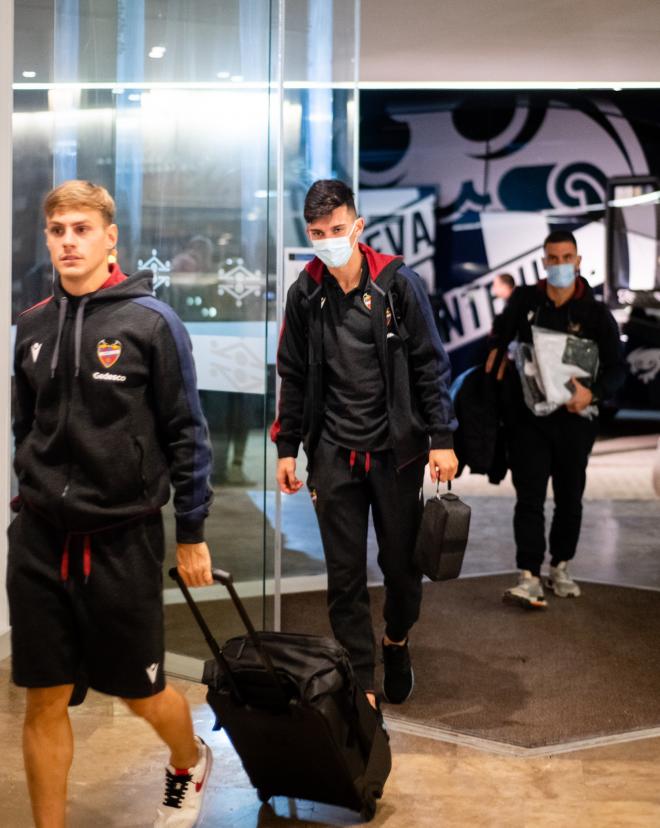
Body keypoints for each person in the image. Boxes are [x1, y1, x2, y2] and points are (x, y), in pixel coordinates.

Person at [8, 180, 215, 827]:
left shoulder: (151, 322)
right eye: (57, 230)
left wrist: (192, 530)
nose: (68, 241)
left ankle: (189, 759)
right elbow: (26, 426)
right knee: (42, 699)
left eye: (81, 229)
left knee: (140, 693)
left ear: (109, 237)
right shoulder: (32, 325)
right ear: (47, 238)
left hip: (123, 540)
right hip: (39, 539)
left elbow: (187, 430)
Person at [272, 179, 458, 707]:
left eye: (336, 229)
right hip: (333, 454)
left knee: (401, 569)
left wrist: (441, 438)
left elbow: (430, 364)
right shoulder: (305, 293)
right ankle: (364, 683)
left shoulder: (398, 285)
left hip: (396, 453)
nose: (328, 240)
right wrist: (288, 447)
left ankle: (395, 640)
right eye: (317, 232)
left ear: (358, 227)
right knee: (344, 575)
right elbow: (292, 373)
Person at [486, 230, 625, 609]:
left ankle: (560, 565)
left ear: (578, 262)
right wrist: (497, 366)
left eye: (567, 258)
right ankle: (528, 574)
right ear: (543, 262)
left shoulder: (596, 314)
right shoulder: (526, 300)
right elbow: (499, 338)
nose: (560, 264)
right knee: (528, 496)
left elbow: (617, 369)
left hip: (575, 420)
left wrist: (591, 394)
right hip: (528, 419)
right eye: (553, 258)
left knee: (569, 498)